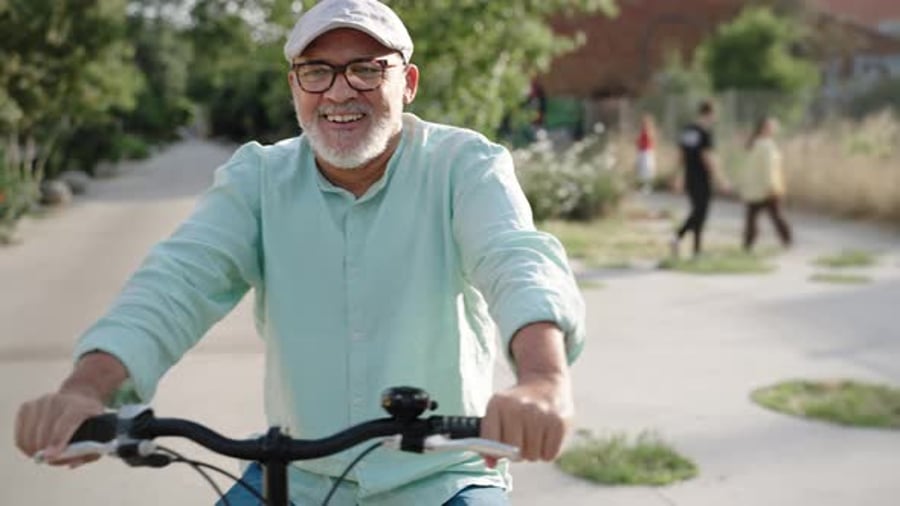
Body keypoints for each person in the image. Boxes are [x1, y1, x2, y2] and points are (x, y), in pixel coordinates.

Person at [13, 1, 586, 505]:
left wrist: (540, 378)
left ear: (407, 83)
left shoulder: (464, 166)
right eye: (317, 72)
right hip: (296, 477)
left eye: (367, 69)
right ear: (294, 88)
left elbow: (515, 259)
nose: (340, 91)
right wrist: (86, 390)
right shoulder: (259, 179)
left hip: (444, 476)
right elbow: (175, 284)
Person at [671, 100, 730, 258]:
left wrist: (677, 175)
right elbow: (707, 157)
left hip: (690, 176)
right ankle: (678, 236)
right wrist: (721, 180)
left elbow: (681, 155)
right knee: (700, 212)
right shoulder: (704, 132)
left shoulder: (688, 130)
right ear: (709, 113)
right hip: (702, 177)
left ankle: (696, 250)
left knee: (698, 212)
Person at [740, 116, 792, 251]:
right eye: (772, 126)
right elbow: (769, 168)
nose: (775, 129)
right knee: (776, 216)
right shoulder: (767, 145)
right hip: (767, 188)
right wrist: (771, 186)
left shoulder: (754, 144)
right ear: (765, 128)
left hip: (754, 188)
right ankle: (787, 240)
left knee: (752, 218)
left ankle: (748, 244)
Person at [635, 113, 657, 194]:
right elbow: (638, 141)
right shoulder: (641, 131)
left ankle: (648, 186)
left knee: (647, 168)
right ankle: (643, 185)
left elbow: (651, 139)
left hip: (647, 152)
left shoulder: (649, 130)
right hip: (641, 151)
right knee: (641, 169)